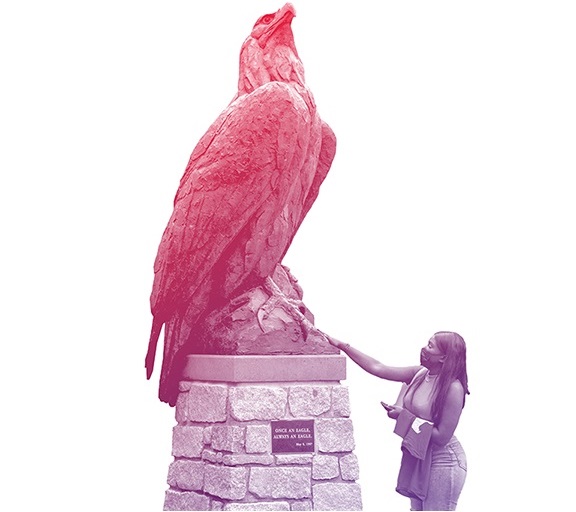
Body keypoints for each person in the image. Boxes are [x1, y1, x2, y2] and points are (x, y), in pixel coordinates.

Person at [327, 331, 469, 511]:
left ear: (443, 358)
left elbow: (442, 437)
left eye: (430, 346)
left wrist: (404, 418)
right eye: (427, 343)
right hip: (419, 455)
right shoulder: (419, 374)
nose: (424, 349)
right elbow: (378, 368)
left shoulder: (453, 388)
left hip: (443, 460)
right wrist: (342, 346)